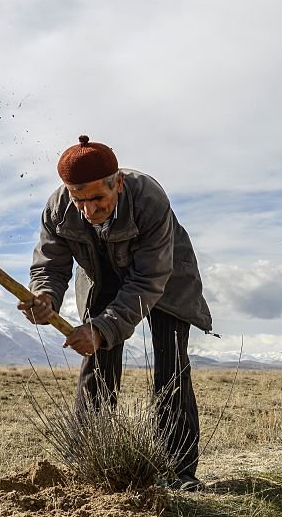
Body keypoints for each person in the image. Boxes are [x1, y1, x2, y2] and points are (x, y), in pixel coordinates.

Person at [19, 135, 213, 491]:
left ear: (118, 183)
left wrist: (104, 327)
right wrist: (44, 296)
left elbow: (148, 279)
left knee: (171, 367)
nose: (89, 211)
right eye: (79, 200)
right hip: (101, 278)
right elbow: (50, 264)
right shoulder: (58, 208)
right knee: (97, 362)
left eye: (98, 199)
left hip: (166, 279)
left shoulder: (149, 199)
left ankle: (179, 472)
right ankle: (86, 463)